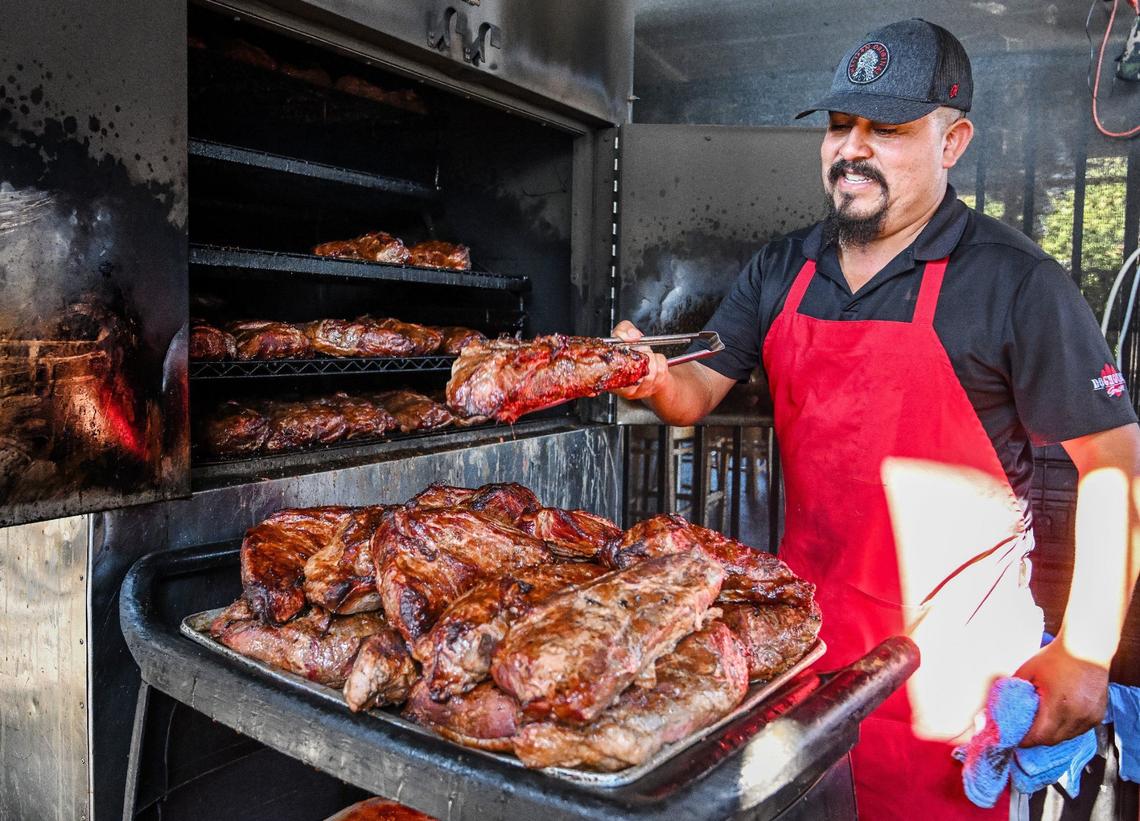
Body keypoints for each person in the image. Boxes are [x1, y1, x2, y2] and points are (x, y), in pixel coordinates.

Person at [611, 18, 1140, 820]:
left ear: (952, 140)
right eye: (839, 125)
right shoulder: (783, 266)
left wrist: (1087, 651)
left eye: (886, 128)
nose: (851, 148)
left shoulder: (1015, 282)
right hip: (802, 653)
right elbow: (699, 389)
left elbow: (1116, 465)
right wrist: (650, 375)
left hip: (952, 683)